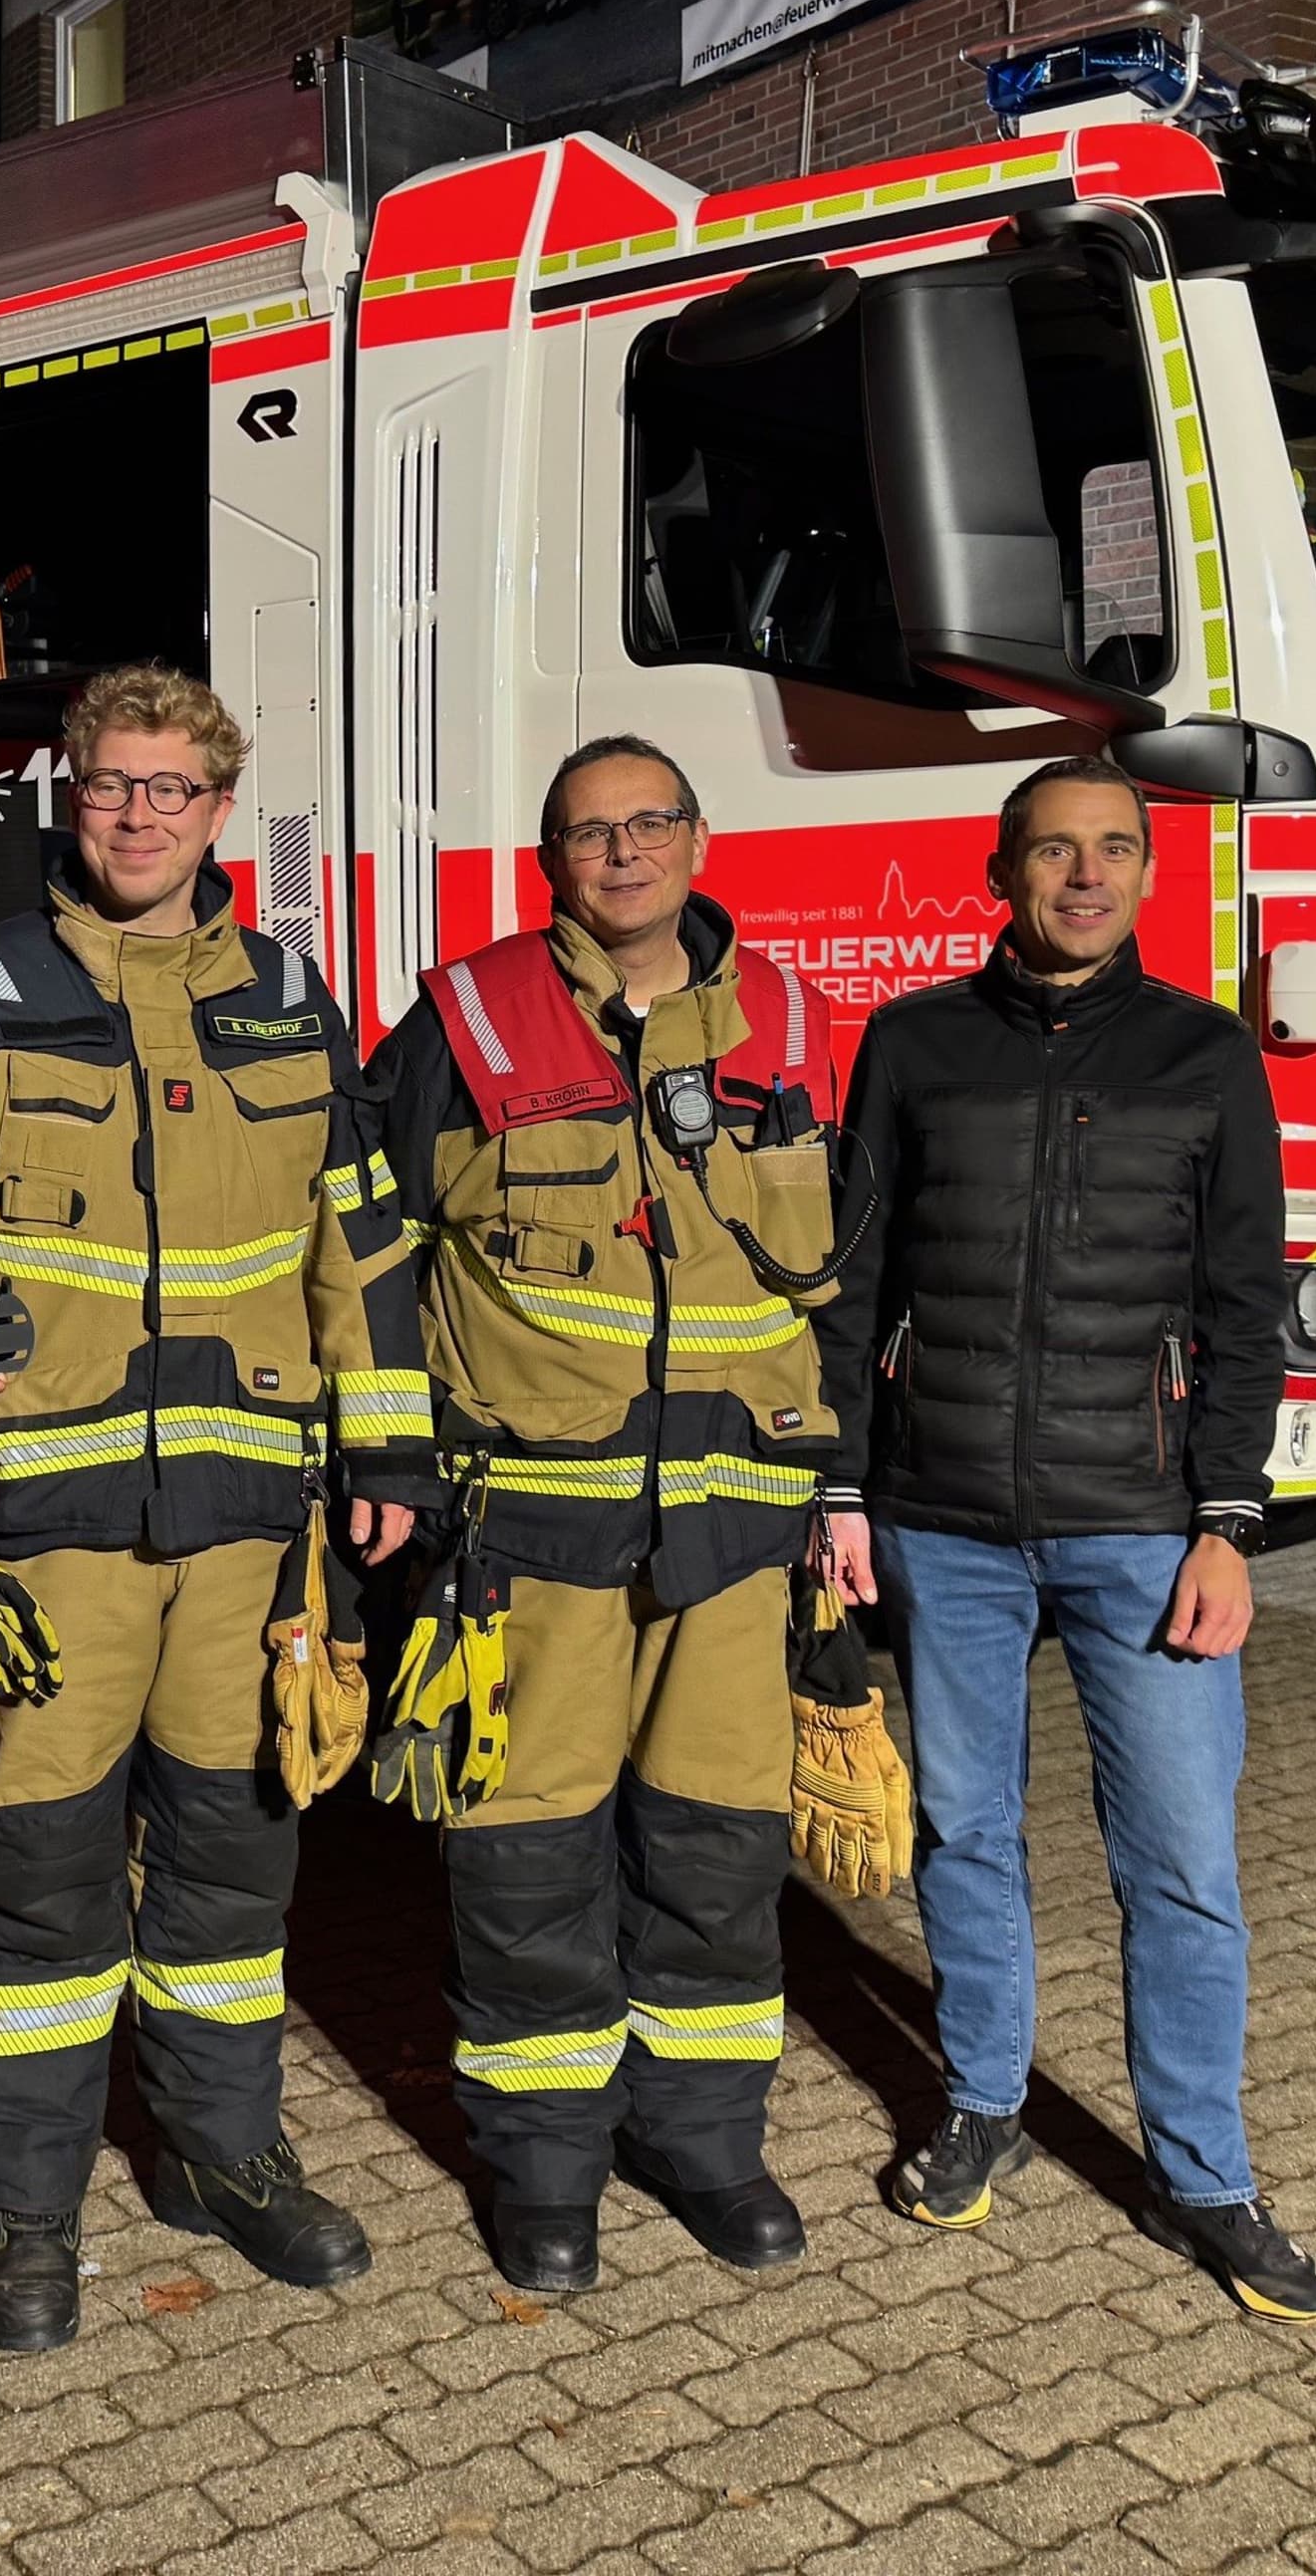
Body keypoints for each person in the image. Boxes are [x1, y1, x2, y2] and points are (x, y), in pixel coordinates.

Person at [0, 663, 430, 2349]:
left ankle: (220, 2156)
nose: (136, 815)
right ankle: (28, 2209)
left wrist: (389, 1452)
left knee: (235, 1865)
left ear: (217, 810)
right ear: (70, 798)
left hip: (251, 1515)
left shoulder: (291, 998)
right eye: (109, 785)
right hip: (54, 1510)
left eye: (170, 790)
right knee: (39, 1876)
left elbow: (360, 1245)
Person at [811, 754, 1316, 2322]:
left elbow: (1246, 1308)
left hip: (1144, 1529)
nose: (1085, 876)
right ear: (1002, 869)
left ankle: (1205, 2177)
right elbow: (853, 1288)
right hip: (945, 1520)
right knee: (966, 1837)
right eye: (1054, 851)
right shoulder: (913, 1045)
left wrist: (1228, 1525)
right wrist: (840, 1493)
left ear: (1149, 876)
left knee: (1179, 1867)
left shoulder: (1203, 1056)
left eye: (1114, 850)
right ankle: (982, 2104)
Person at [372, 736, 882, 2292]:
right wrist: (394, 1459)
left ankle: (706, 2145)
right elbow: (372, 1255)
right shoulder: (465, 1019)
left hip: (736, 1542)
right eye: (590, 834)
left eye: (650, 823)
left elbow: (853, 1286)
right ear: (551, 861)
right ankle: (544, 2172)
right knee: (527, 1864)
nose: (624, 853)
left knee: (720, 1858)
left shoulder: (791, 1024)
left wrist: (841, 1484)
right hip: (531, 1541)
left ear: (700, 839)